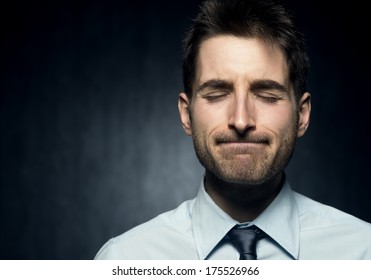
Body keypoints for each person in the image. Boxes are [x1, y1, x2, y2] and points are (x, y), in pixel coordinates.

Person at [95, 0, 371, 260]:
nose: (241, 121)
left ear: (302, 115)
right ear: (186, 114)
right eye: (217, 94)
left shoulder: (362, 253)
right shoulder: (124, 260)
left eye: (267, 95)